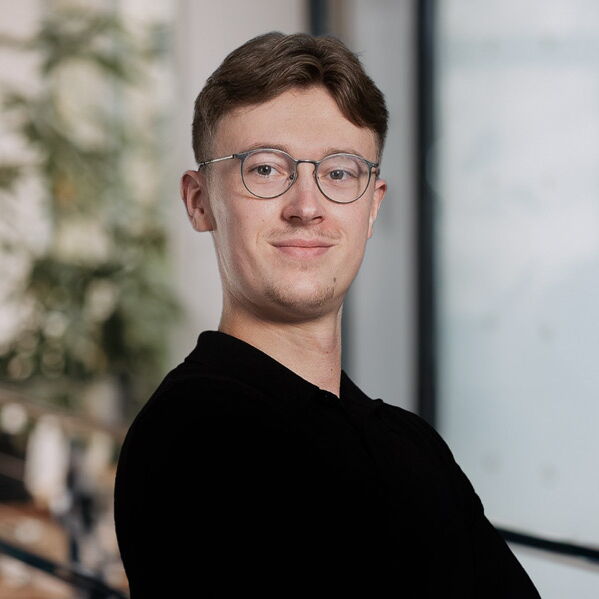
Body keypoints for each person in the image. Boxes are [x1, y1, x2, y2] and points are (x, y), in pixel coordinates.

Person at [114, 32, 540, 597]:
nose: (307, 207)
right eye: (265, 169)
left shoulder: (409, 443)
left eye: (339, 173)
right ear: (199, 201)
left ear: (372, 207)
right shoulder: (193, 441)